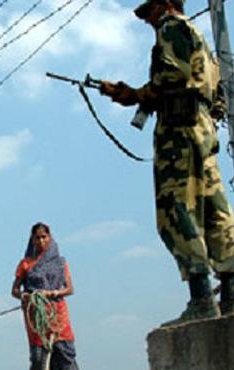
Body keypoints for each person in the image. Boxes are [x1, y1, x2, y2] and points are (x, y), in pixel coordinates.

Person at [99, 0, 234, 325]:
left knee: (176, 210)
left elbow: (172, 77)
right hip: (203, 130)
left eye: (150, 12)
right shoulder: (199, 37)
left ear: (166, 4)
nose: (148, 20)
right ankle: (230, 294)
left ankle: (202, 297)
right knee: (214, 211)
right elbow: (217, 97)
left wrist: (135, 94)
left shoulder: (172, 28)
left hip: (179, 130)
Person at [11, 222, 81, 370]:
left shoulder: (60, 262)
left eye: (44, 237)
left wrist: (51, 293)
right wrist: (25, 296)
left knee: (64, 355)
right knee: (38, 359)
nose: (41, 240)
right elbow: (14, 291)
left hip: (58, 314)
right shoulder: (25, 264)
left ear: (50, 238)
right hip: (36, 315)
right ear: (32, 240)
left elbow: (70, 289)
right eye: (37, 237)